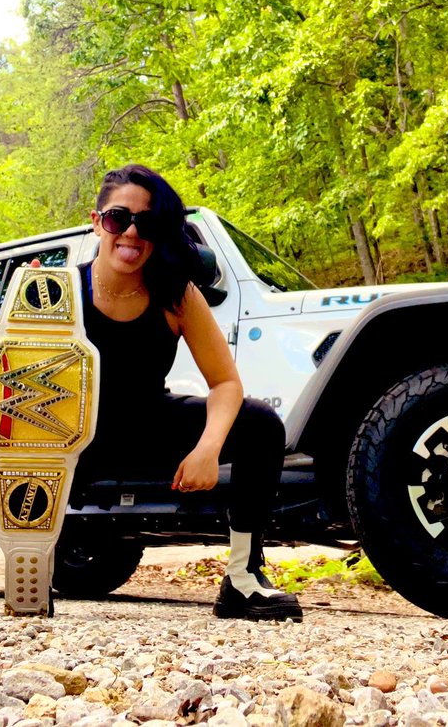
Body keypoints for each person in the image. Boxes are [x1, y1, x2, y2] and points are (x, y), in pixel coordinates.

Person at [73, 163, 302, 622]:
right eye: (120, 218)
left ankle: (242, 577)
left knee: (259, 424)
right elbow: (15, 385)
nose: (132, 232)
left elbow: (226, 382)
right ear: (98, 222)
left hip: (146, 427)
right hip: (75, 436)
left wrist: (208, 448)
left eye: (149, 222)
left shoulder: (176, 294)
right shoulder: (58, 292)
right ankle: (30, 569)